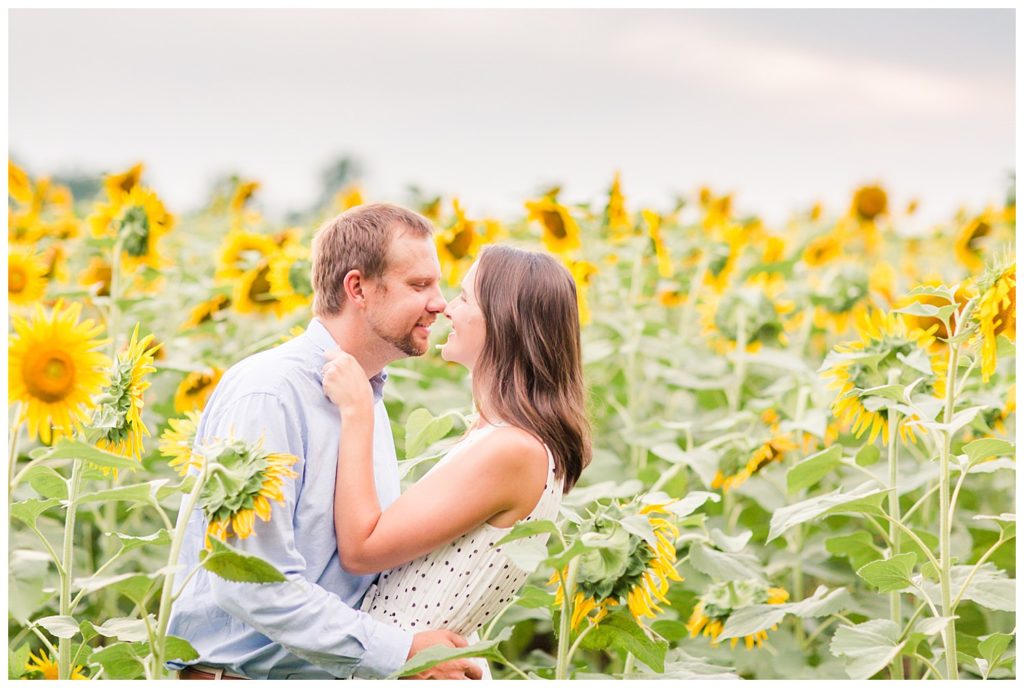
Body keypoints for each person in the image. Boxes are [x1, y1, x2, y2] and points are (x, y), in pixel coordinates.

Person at [167, 203, 484, 680]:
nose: (439, 303)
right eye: (419, 285)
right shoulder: (270, 394)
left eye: (438, 285)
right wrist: (399, 651)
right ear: (357, 288)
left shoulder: (364, 396)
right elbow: (250, 581)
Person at [321, 245, 592, 675]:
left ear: (504, 322)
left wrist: (357, 412)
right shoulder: (501, 438)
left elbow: (362, 549)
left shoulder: (513, 450)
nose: (447, 307)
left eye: (466, 298)